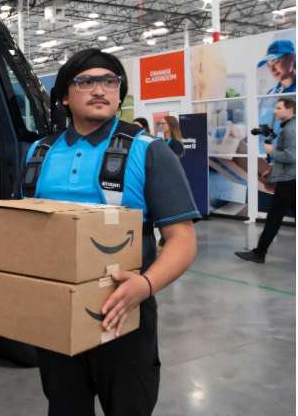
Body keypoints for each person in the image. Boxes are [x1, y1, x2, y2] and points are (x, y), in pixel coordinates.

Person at [24, 48, 200, 416]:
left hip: (124, 315)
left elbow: (182, 239)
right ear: (64, 96)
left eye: (109, 81)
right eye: (86, 82)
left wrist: (145, 286)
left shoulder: (149, 151)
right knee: (64, 406)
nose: (99, 89)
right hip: (55, 315)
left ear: (119, 94)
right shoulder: (39, 153)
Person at [236, 98, 296, 263]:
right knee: (275, 217)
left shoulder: (291, 130)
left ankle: (259, 253)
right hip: (290, 178)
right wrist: (272, 170)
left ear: (290, 110)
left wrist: (271, 151)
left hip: (288, 180)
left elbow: (292, 157)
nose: (275, 111)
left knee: (274, 218)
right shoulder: (289, 127)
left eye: (279, 108)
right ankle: (259, 252)